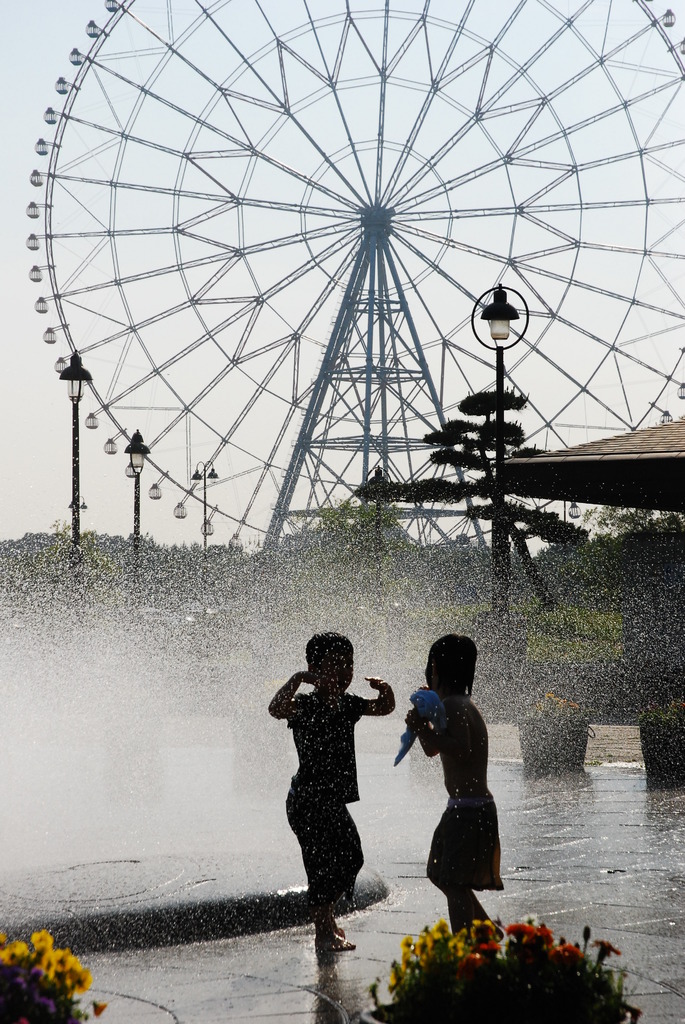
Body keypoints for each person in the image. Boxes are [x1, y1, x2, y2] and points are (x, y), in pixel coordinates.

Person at [268, 631, 395, 952]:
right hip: (308, 801)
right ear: (314, 668)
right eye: (335, 665)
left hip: (333, 801)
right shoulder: (305, 705)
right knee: (320, 866)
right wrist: (298, 679)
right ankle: (323, 931)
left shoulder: (348, 704)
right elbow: (275, 707)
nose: (344, 672)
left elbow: (382, 708)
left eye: (349, 664)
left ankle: (325, 919)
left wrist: (386, 690)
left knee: (352, 857)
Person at [406, 633, 503, 935]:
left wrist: (425, 727)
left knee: (451, 880)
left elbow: (461, 748)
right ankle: (485, 928)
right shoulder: (456, 703)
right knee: (439, 873)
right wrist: (424, 727)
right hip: (462, 807)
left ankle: (465, 945)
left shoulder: (455, 706)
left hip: (470, 810)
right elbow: (432, 749)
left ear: (434, 667)